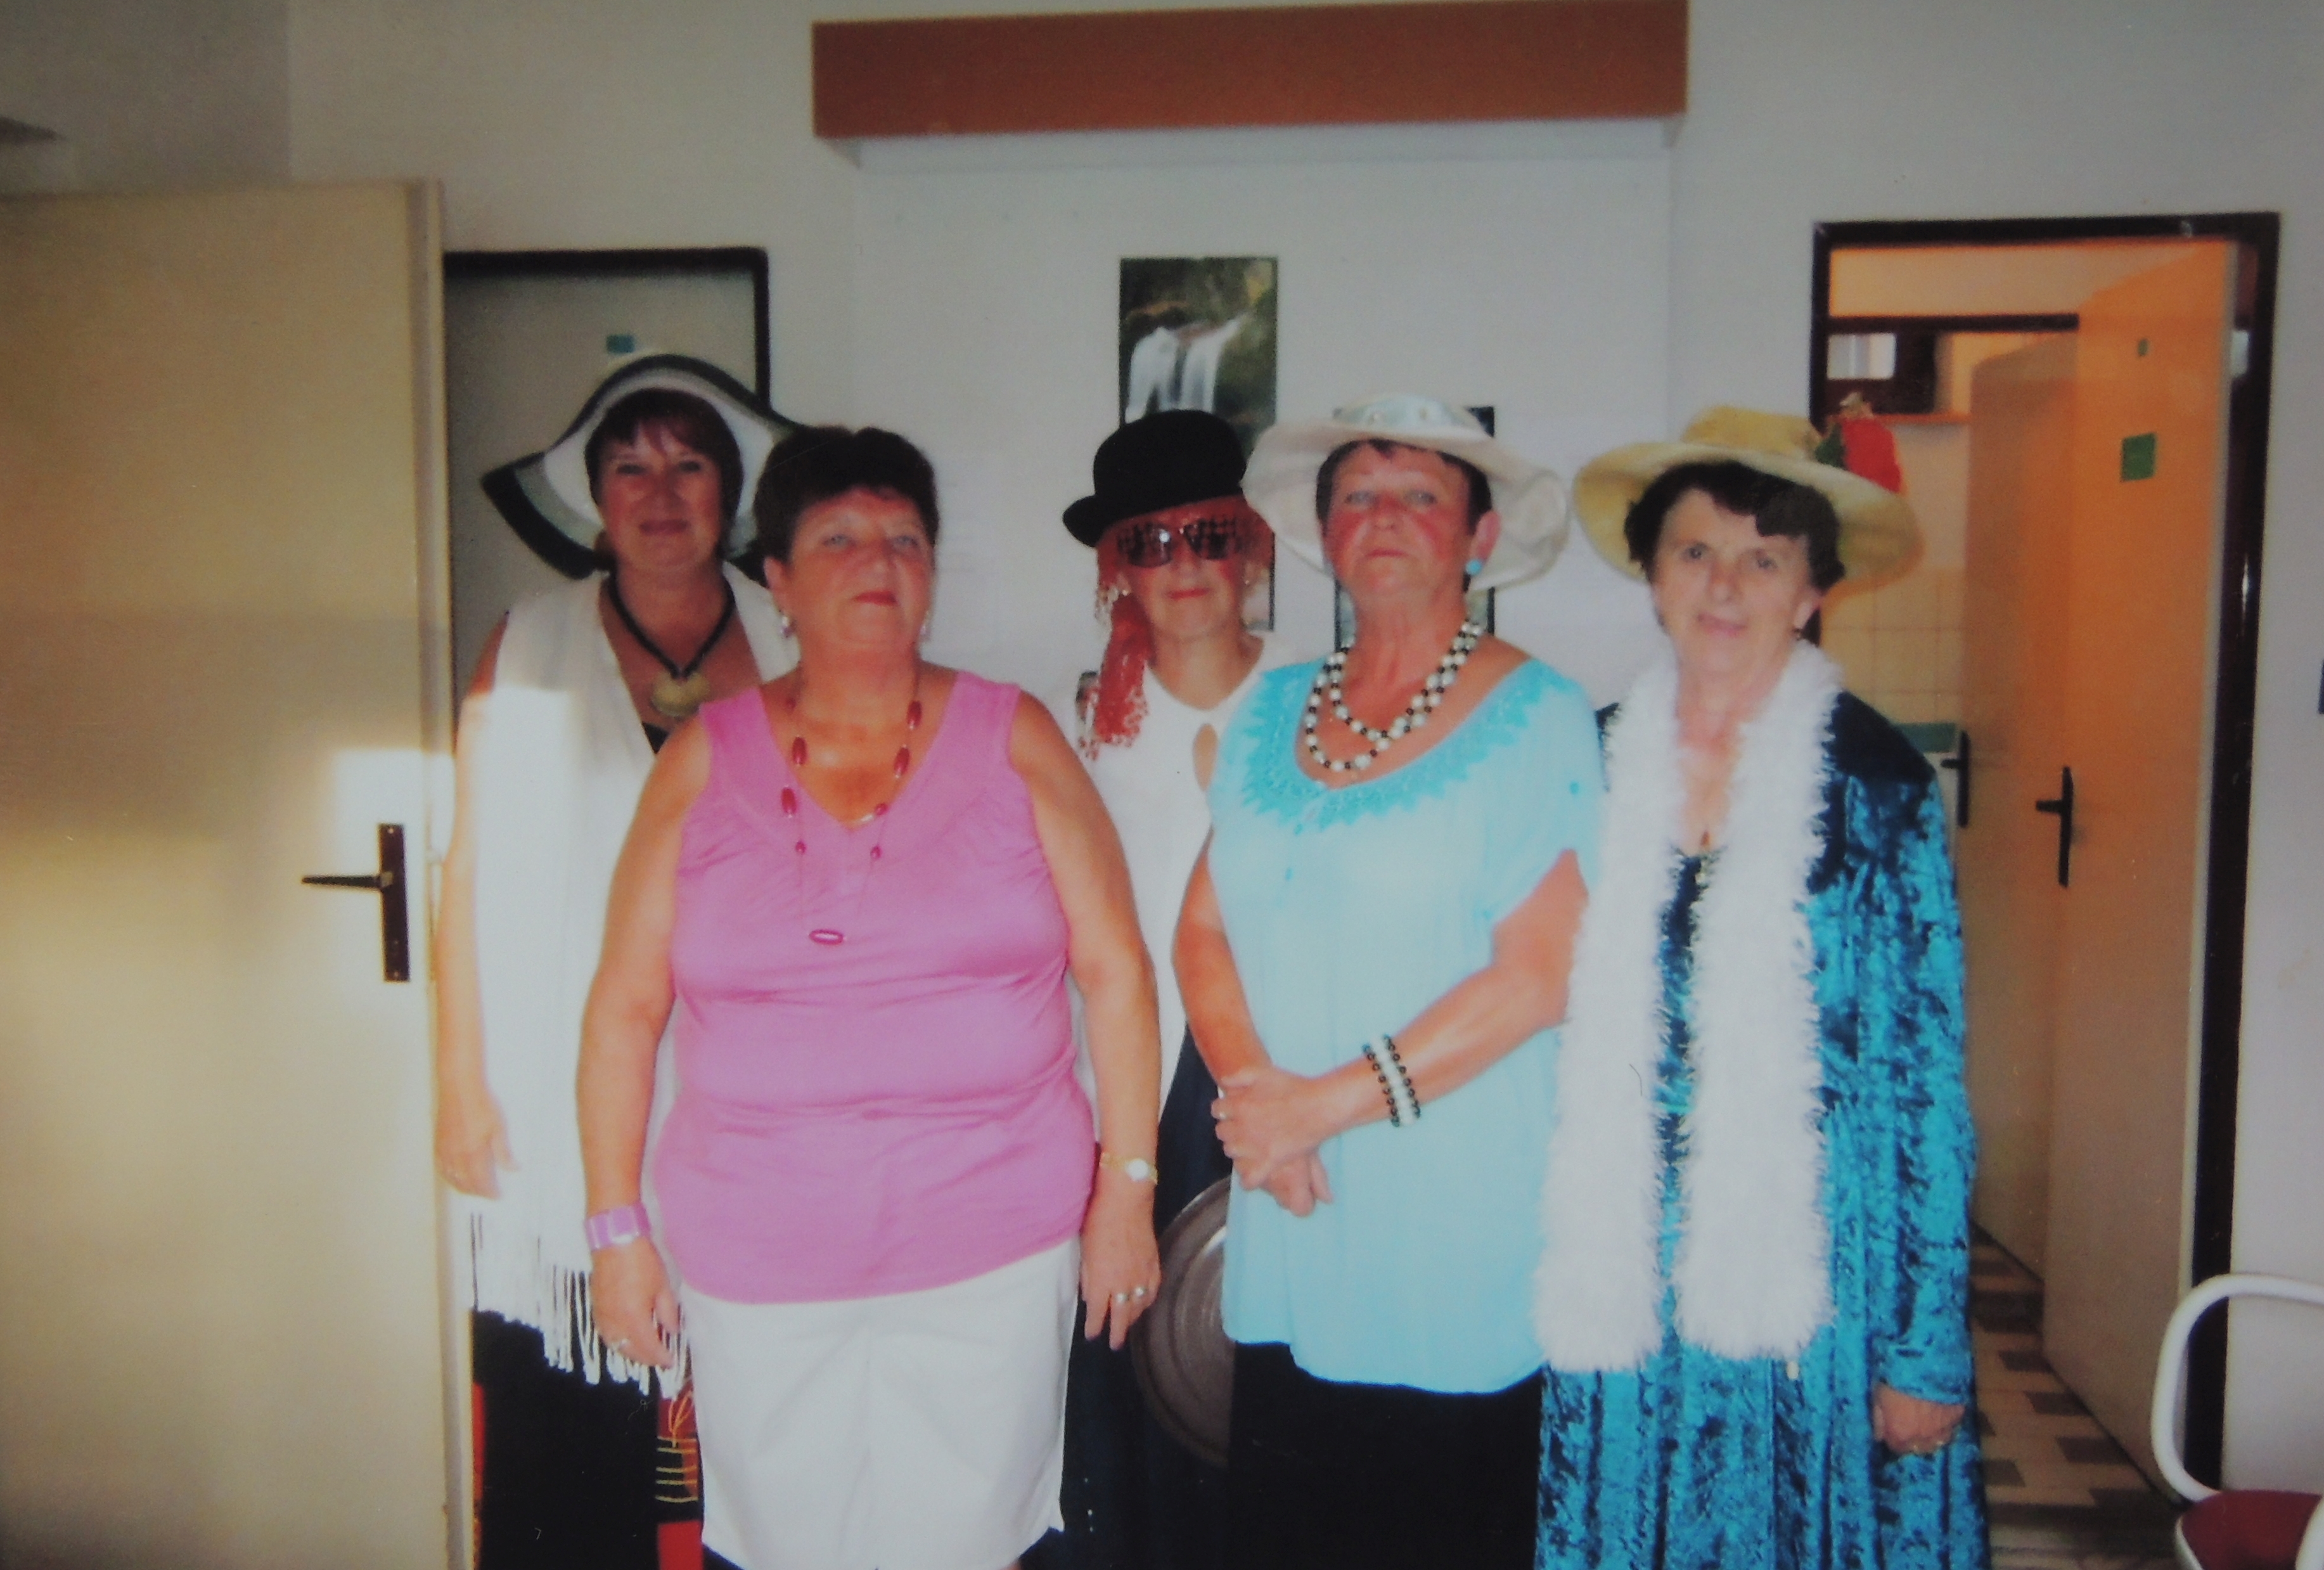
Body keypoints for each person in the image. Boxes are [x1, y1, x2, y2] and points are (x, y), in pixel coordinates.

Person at [577, 425, 1164, 1570]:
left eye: (905, 538)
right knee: (784, 1545)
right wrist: (615, 1232)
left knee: (970, 1544)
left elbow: (1117, 969)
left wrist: (1126, 1193)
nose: (879, 561)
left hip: (992, 1246)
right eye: (839, 538)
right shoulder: (701, 758)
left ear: (932, 574)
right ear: (780, 581)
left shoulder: (1014, 734)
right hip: (759, 1251)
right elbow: (623, 1009)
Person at [1534, 408, 1986, 1569]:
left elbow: (1930, 1080)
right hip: (1623, 1273)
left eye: (1765, 558)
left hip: (1820, 1285)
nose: (1725, 586)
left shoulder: (1878, 786)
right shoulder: (1580, 763)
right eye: (1696, 551)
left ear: (1812, 589)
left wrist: (1927, 1343)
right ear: (1652, 575)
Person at [1174, 394, 1602, 1569]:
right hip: (1295, 1210)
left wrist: (1321, 1106)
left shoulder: (1542, 714)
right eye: (1358, 493)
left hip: (1452, 1223)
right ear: (1324, 533)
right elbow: (1203, 926)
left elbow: (1543, 974)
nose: (1386, 515)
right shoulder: (1270, 708)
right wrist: (1263, 1108)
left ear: (1479, 537)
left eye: (1422, 494)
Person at [436, 358, 793, 1569]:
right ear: (594, 495)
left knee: (752, 1436)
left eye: (690, 462)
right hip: (554, 1077)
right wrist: (459, 1080)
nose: (661, 491)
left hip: (749, 1084)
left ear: (730, 491)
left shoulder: (792, 633)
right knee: (564, 1430)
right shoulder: (528, 641)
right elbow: (467, 868)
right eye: (630, 465)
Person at [1034, 410, 1293, 1570]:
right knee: (1127, 1392)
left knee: (1258, 1401)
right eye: (1151, 540)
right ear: (1116, 568)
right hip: (1123, 1100)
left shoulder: (1313, 704)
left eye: (1209, 534)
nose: (1184, 564)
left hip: (1272, 1086)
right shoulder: (1075, 728)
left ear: (1252, 545)